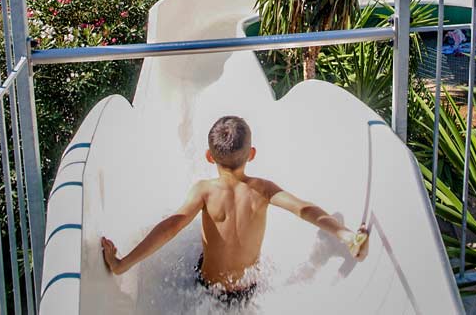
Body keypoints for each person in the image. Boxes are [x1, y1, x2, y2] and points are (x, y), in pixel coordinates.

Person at [101, 116, 369, 305]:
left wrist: (122, 264)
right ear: (251, 153)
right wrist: (346, 235)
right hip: (247, 290)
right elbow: (304, 209)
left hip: (208, 289)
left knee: (190, 244)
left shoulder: (204, 190)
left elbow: (171, 226)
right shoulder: (263, 190)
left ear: (209, 156)